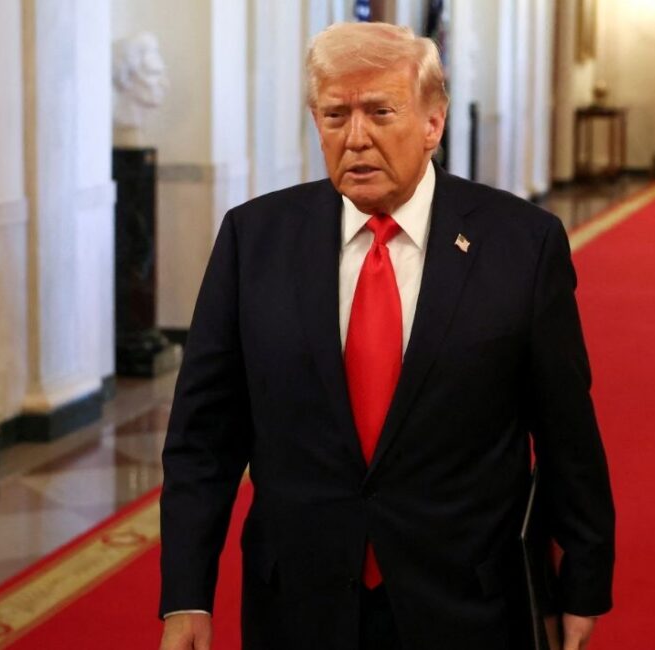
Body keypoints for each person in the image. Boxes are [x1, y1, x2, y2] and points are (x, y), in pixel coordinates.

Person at [158, 21, 614, 650]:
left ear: (433, 123)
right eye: (335, 114)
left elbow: (567, 434)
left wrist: (583, 582)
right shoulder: (253, 240)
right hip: (299, 603)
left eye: (380, 112)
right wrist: (185, 596)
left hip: (464, 603)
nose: (356, 138)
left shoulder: (522, 245)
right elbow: (201, 439)